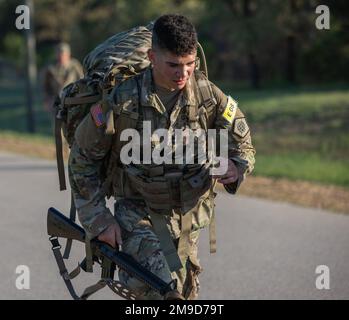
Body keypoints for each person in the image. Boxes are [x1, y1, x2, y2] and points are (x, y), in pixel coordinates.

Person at [68, 14, 255, 300]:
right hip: (138, 212)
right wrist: (99, 220)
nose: (183, 74)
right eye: (173, 65)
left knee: (184, 293)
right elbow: (82, 159)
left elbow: (242, 142)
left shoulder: (208, 96)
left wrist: (237, 166)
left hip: (189, 216)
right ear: (152, 56)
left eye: (190, 64)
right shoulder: (121, 102)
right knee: (160, 287)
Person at [42, 42, 84, 112]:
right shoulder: (51, 68)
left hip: (73, 101)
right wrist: (47, 99)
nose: (61, 56)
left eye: (63, 54)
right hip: (57, 102)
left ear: (68, 54)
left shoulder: (74, 66)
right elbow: (46, 87)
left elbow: (83, 80)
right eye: (59, 54)